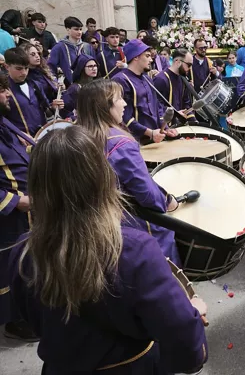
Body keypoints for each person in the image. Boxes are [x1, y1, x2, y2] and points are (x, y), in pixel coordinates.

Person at [8, 125, 208, 373]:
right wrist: (193, 314)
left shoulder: (22, 254)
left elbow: (37, 322)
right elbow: (185, 342)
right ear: (102, 178)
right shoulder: (135, 251)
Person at [77, 80, 181, 262]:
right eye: (119, 99)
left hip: (92, 224)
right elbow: (147, 194)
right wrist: (167, 201)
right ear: (105, 106)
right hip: (128, 223)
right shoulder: (120, 143)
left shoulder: (78, 137)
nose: (125, 103)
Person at [0, 73, 37, 341]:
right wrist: (14, 201)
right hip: (9, 215)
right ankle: (14, 321)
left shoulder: (3, 122)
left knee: (27, 263)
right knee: (10, 267)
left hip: (25, 211)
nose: (8, 94)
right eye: (2, 91)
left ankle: (28, 312)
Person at [112, 39, 171, 144]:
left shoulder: (147, 78)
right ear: (136, 57)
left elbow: (157, 106)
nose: (151, 60)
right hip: (135, 140)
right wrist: (149, 132)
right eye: (147, 56)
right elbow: (124, 117)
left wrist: (165, 127)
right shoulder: (120, 80)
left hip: (155, 136)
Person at [4, 48, 63, 136]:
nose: (24, 72)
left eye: (26, 68)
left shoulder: (36, 85)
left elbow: (46, 109)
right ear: (7, 66)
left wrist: (54, 107)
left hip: (42, 136)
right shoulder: (4, 90)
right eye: (19, 69)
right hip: (21, 141)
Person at [153, 48, 196, 125]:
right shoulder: (161, 79)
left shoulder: (182, 79)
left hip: (178, 126)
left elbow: (186, 103)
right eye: (188, 65)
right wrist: (175, 113)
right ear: (177, 62)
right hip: (165, 127)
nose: (189, 69)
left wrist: (194, 122)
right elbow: (156, 106)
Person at [48, 16, 93, 86]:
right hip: (68, 86)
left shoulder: (87, 47)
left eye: (81, 29)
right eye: (76, 29)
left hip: (87, 85)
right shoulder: (59, 47)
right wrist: (56, 82)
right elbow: (50, 68)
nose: (79, 32)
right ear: (68, 30)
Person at [61, 53, 98, 118]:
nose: (94, 68)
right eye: (90, 66)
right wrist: (75, 120)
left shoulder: (96, 85)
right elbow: (64, 109)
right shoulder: (75, 88)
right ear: (82, 68)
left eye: (95, 65)